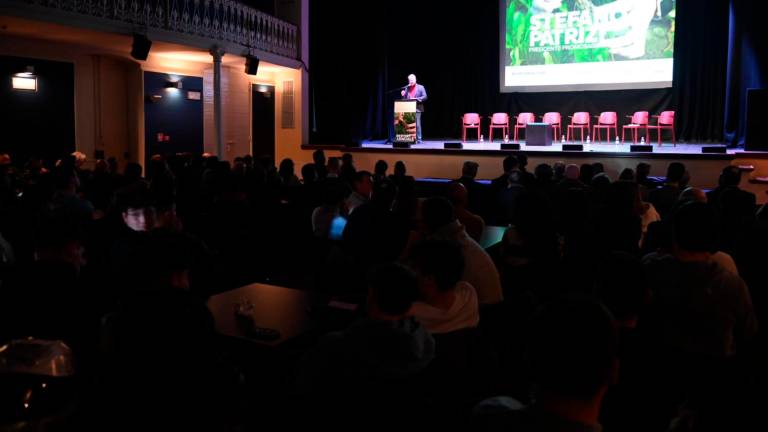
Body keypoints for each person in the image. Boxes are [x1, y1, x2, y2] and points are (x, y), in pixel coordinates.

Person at [400, 74, 427, 143]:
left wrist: (416, 99)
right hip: (408, 108)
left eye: (412, 80)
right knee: (409, 123)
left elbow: (425, 96)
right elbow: (404, 99)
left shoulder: (421, 87)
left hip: (417, 108)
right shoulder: (407, 88)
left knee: (417, 124)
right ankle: (410, 138)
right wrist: (403, 95)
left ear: (415, 80)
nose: (411, 81)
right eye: (409, 80)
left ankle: (419, 139)